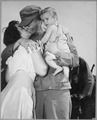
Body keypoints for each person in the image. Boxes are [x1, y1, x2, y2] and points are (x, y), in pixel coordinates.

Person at [1, 5, 80, 119]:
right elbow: (4, 56)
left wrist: (57, 52)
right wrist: (19, 41)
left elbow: (75, 60)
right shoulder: (28, 39)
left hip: (57, 90)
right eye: (25, 24)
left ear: (40, 19)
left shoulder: (60, 32)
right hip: (36, 93)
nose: (28, 26)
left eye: (30, 22)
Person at [1, 20, 47, 119]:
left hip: (6, 95)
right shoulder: (31, 45)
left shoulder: (12, 55)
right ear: (16, 33)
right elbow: (42, 70)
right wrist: (39, 52)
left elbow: (8, 79)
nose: (25, 27)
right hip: (22, 93)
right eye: (21, 27)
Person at [38, 7, 79, 84]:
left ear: (55, 18)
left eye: (47, 19)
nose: (45, 22)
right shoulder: (35, 37)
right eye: (42, 20)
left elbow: (75, 60)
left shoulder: (63, 33)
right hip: (41, 87)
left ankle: (65, 78)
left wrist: (57, 52)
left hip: (60, 89)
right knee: (64, 67)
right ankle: (65, 77)